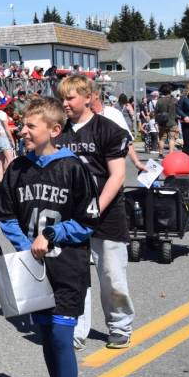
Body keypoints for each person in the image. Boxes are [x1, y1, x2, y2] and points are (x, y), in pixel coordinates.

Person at [0, 96, 99, 377]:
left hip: (66, 265)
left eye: (30, 126)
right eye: (22, 125)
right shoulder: (17, 169)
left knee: (60, 335)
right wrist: (25, 244)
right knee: (45, 334)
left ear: (54, 130)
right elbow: (5, 214)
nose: (22, 130)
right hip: (33, 266)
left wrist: (53, 235)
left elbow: (88, 219)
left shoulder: (73, 167)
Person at [56, 76, 134, 350]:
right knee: (75, 276)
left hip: (106, 214)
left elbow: (117, 175)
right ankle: (76, 329)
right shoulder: (59, 132)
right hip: (70, 216)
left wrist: (96, 208)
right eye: (62, 98)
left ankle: (120, 325)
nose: (64, 103)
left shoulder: (108, 130)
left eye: (70, 98)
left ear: (88, 97)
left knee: (111, 275)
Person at [154, 84, 179, 155]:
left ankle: (160, 154)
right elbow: (178, 110)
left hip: (162, 122)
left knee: (162, 138)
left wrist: (156, 121)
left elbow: (156, 112)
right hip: (172, 122)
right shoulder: (175, 100)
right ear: (170, 91)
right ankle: (171, 154)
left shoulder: (159, 101)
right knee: (172, 138)